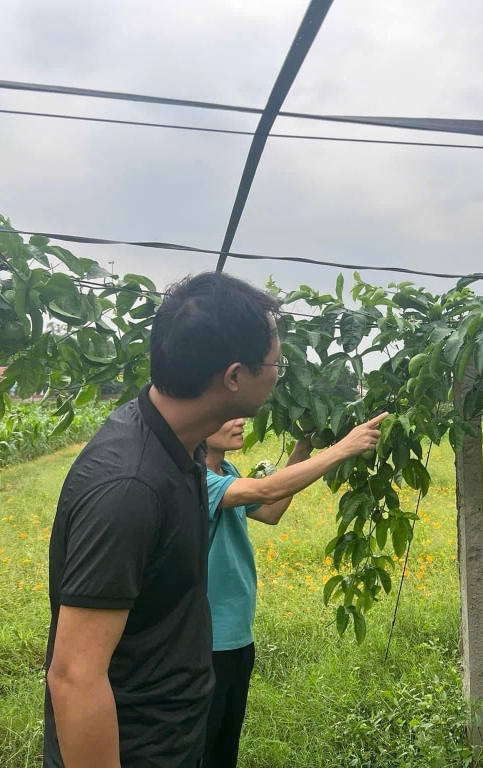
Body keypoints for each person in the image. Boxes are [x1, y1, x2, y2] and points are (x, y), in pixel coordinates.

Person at [44, 272, 285, 768]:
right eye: (275, 363)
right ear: (235, 376)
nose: (278, 373)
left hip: (176, 736)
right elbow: (74, 676)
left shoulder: (184, 446)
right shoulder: (129, 486)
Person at [202, 410, 386, 767]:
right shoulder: (194, 478)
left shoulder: (226, 472)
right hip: (205, 640)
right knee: (202, 750)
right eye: (226, 414)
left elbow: (270, 510)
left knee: (224, 749)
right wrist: (342, 449)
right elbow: (266, 488)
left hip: (237, 634)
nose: (239, 420)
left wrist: (303, 445)